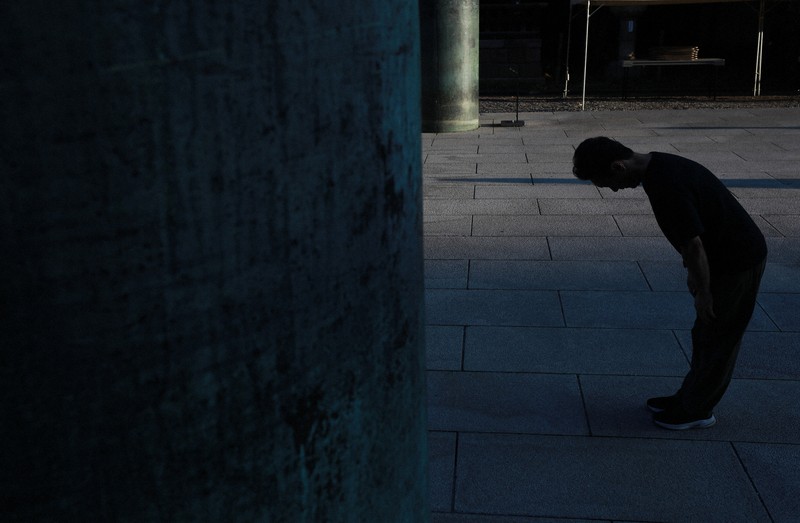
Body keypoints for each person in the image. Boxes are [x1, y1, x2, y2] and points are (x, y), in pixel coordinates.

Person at [572, 137, 767, 430]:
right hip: (724, 255)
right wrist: (695, 274)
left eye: (608, 182)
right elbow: (695, 235)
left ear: (618, 165)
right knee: (705, 333)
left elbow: (694, 245)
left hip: (736, 260)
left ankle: (697, 410)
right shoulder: (660, 164)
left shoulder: (666, 186)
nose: (614, 188)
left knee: (718, 336)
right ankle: (688, 397)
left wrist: (703, 292)